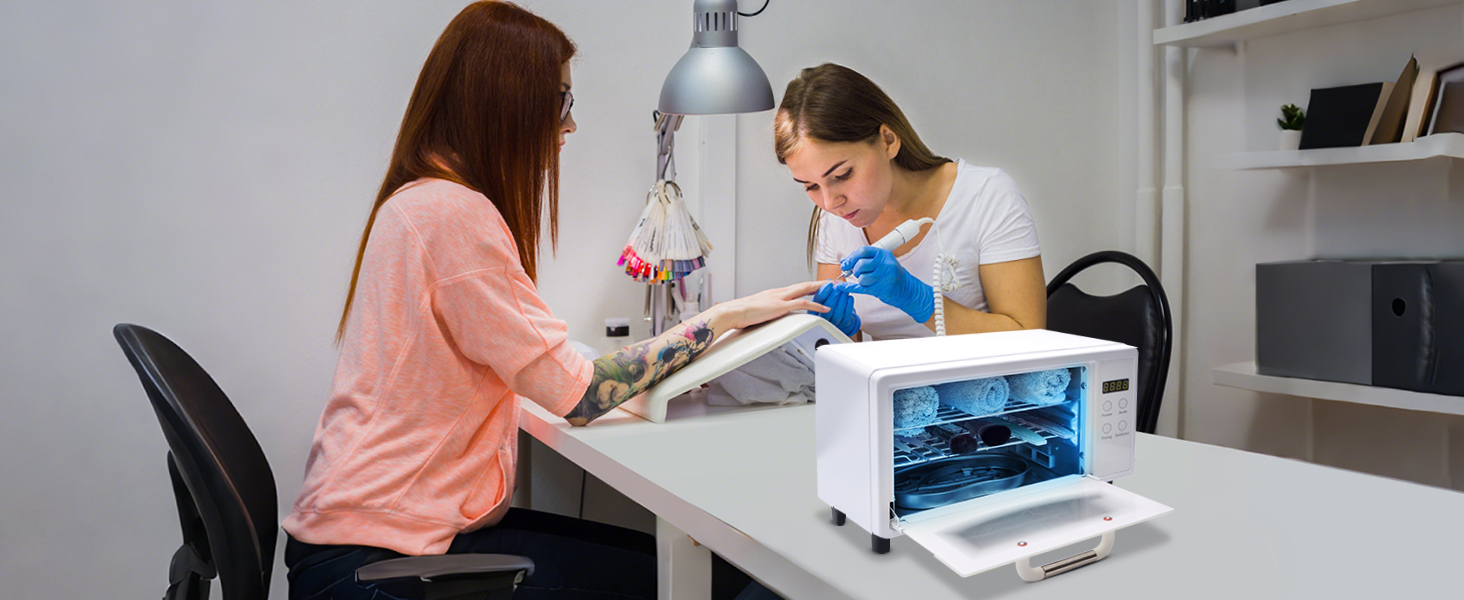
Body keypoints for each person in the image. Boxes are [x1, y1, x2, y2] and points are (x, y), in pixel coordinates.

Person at [280, 3, 826, 599]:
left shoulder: (420, 201)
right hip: (383, 562)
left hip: (379, 537)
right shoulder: (452, 215)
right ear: (506, 105)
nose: (569, 126)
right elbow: (585, 395)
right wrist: (724, 319)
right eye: (561, 102)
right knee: (715, 581)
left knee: (686, 564)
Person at [774, 63, 1047, 341]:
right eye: (810, 186)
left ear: (888, 141)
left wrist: (919, 299)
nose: (831, 202)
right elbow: (848, 354)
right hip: (886, 384)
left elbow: (1029, 337)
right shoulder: (832, 219)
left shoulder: (987, 195)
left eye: (842, 175)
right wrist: (837, 333)